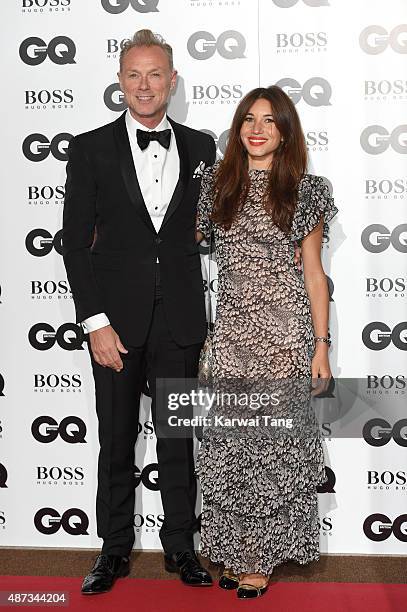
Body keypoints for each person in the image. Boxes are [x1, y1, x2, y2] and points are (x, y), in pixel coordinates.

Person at [62, 29, 216, 594]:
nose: (145, 85)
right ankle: (114, 550)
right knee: (116, 439)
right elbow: (74, 244)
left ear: (172, 81)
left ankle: (182, 547)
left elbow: (206, 228)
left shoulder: (202, 147)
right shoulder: (91, 147)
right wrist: (94, 322)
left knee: (179, 440)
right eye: (134, 74)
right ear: (119, 82)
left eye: (156, 75)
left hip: (179, 319)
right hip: (115, 326)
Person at [195, 86, 337, 599]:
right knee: (230, 454)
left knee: (273, 454)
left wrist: (320, 346)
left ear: (285, 132)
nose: (257, 129)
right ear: (237, 129)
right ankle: (233, 552)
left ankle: (258, 558)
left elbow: (315, 275)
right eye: (249, 119)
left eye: (270, 121)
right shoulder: (215, 186)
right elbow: (173, 245)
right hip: (230, 341)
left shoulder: (306, 190)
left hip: (282, 340)